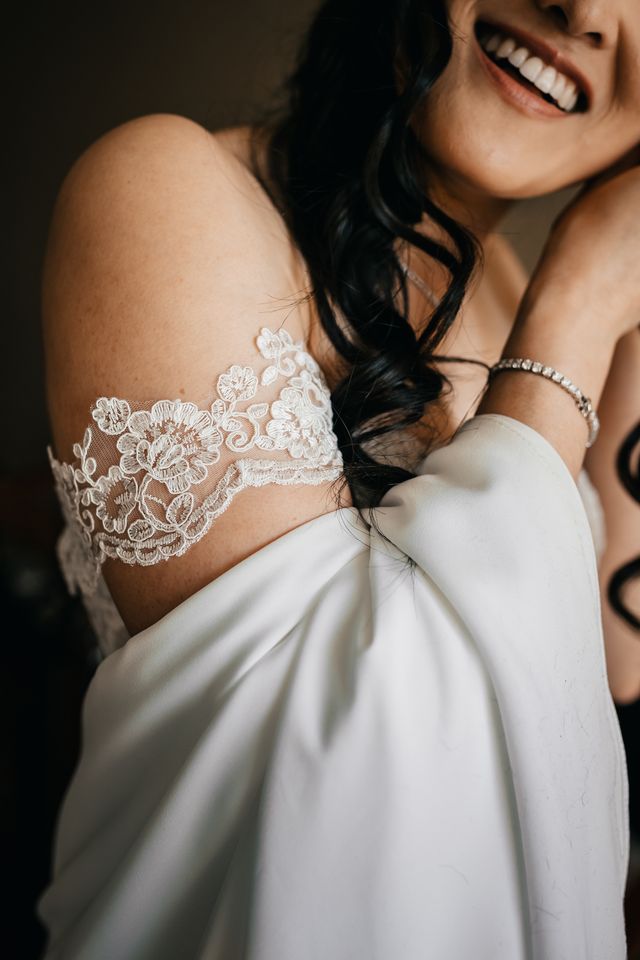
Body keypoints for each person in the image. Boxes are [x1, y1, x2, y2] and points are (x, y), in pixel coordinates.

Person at [36, 0, 640, 956]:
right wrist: (583, 295)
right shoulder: (165, 189)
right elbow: (336, 761)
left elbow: (614, 669)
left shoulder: (529, 300)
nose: (586, 11)